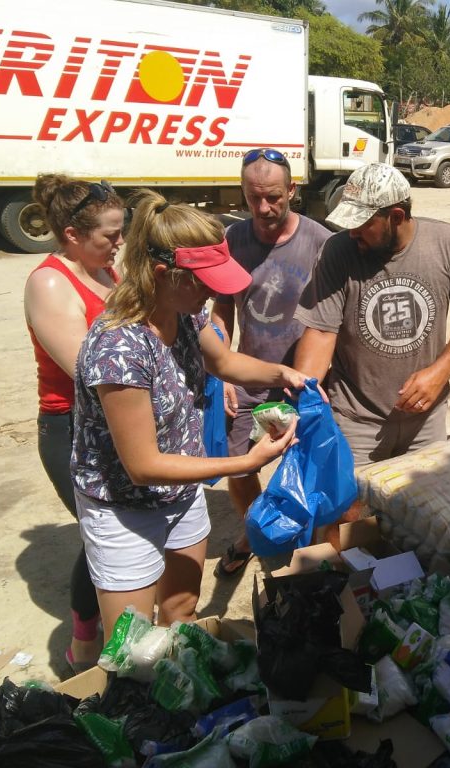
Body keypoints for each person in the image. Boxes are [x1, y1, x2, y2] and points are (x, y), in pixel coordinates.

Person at [70, 191, 308, 642]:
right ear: (163, 273)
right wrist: (245, 463)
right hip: (125, 508)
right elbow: (142, 466)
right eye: (204, 281)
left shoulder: (186, 312)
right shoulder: (119, 348)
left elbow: (225, 362)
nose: (214, 292)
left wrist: (282, 372)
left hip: (181, 494)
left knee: (180, 613)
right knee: (130, 642)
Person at [294, 163, 450, 467]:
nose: (352, 232)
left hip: (426, 419)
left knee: (418, 505)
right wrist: (304, 396)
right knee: (350, 508)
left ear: (396, 216)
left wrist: (441, 371)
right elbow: (321, 330)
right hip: (356, 420)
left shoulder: (449, 243)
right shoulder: (337, 252)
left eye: (362, 223)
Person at [209, 148, 331, 576]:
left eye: (274, 197)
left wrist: (325, 376)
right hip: (244, 377)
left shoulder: (320, 241)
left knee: (306, 462)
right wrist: (220, 366)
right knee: (240, 464)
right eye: (253, 197)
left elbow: (335, 317)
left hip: (303, 378)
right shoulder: (233, 241)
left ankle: (305, 539)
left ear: (292, 190)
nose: (263, 207)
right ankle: (252, 531)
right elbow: (221, 308)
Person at [23, 174, 123, 673]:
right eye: (109, 235)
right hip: (70, 427)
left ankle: (114, 625)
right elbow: (89, 370)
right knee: (100, 532)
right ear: (71, 235)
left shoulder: (106, 272)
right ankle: (83, 645)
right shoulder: (49, 282)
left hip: (114, 423)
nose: (118, 243)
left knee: (120, 528)